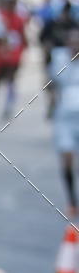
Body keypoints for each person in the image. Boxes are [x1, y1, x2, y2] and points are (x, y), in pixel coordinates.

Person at [49, 26, 79, 217]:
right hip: (65, 118)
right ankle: (72, 200)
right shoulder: (59, 59)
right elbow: (51, 83)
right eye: (72, 42)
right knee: (67, 157)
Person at [0, 0, 27, 120]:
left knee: (11, 80)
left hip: (13, 55)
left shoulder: (18, 17)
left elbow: (22, 35)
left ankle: (8, 105)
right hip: (0, 55)